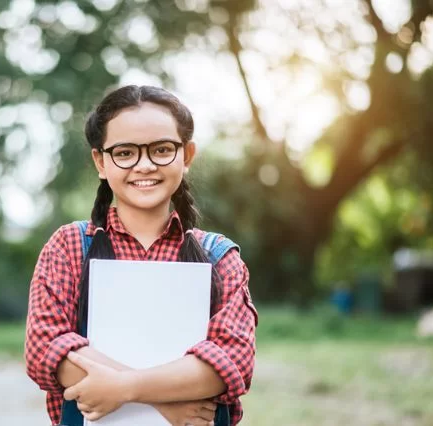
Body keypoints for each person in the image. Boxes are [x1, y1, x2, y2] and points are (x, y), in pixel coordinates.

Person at [24, 85, 258, 426]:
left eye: (162, 150)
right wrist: (167, 404)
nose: (145, 165)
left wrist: (126, 387)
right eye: (125, 153)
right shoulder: (70, 246)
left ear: (187, 156)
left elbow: (232, 360)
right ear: (101, 162)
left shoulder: (219, 257)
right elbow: (46, 347)